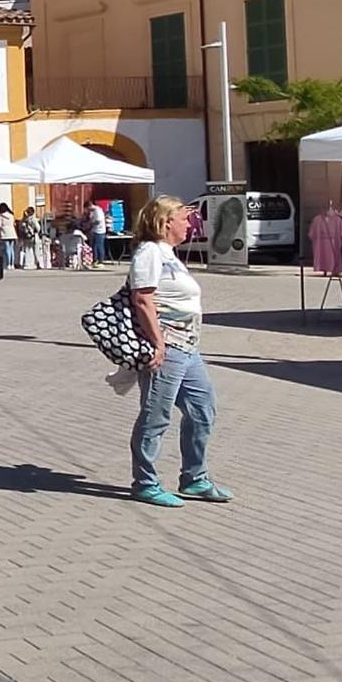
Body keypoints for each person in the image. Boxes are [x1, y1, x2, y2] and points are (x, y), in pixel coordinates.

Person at [126, 194, 230, 508]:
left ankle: (194, 478)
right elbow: (142, 300)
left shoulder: (169, 253)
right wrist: (157, 343)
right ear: (166, 221)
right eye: (185, 219)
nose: (190, 224)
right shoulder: (149, 252)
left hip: (188, 347)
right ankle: (145, 482)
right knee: (156, 415)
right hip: (167, 347)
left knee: (203, 409)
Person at [86, 199, 109, 270]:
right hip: (94, 230)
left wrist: (90, 224)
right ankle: (95, 260)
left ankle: (100, 261)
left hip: (100, 231)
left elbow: (98, 221)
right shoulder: (92, 211)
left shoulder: (97, 211)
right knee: (94, 246)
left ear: (89, 206)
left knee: (98, 246)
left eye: (87, 208)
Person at [0, 203, 17, 269]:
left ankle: (8, 264)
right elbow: (14, 223)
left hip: (5, 233)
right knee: (12, 249)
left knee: (7, 248)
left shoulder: (0, 216)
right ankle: (12, 264)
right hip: (12, 232)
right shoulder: (11, 215)